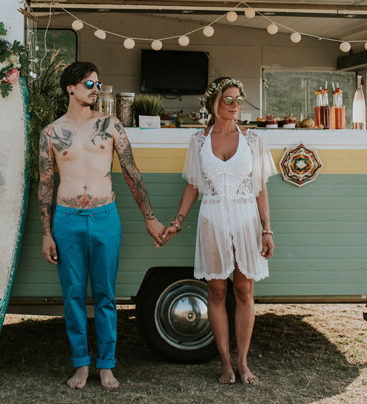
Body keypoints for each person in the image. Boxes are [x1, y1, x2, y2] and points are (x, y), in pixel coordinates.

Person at [38, 61, 167, 389]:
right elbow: (45, 185)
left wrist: (150, 219)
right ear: (71, 87)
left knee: (106, 295)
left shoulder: (111, 126)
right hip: (67, 220)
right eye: (89, 84)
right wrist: (46, 233)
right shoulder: (51, 133)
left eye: (97, 84)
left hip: (105, 217)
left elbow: (131, 173)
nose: (96, 90)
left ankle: (107, 365)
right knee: (73, 295)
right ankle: (81, 363)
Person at [160, 77, 277, 384]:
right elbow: (193, 186)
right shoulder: (199, 140)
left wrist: (267, 229)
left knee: (244, 290)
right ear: (214, 103)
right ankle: (225, 362)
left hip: (246, 219)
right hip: (212, 219)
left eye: (239, 99)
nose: (236, 104)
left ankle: (243, 362)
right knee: (216, 291)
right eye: (229, 99)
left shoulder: (253, 140)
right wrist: (177, 221)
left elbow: (260, 188)